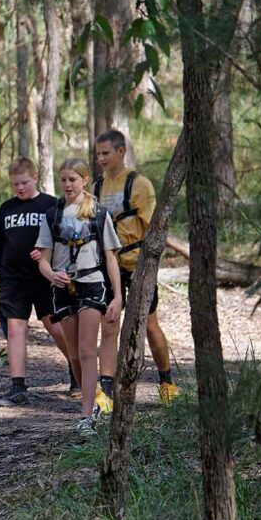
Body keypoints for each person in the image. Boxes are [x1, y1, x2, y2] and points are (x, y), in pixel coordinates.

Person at [36, 159, 122, 438]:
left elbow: (111, 257)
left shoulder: (99, 214)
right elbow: (43, 260)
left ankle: (86, 416)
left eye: (72, 179)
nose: (67, 185)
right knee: (74, 354)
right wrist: (51, 276)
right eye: (63, 179)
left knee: (87, 350)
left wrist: (117, 296)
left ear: (85, 180)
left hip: (92, 285)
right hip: (62, 287)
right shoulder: (52, 215)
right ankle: (92, 395)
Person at [93, 129, 178, 409]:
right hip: (108, 266)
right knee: (109, 325)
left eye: (106, 153)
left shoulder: (140, 185)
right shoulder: (96, 188)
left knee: (150, 325)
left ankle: (167, 382)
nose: (101, 159)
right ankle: (105, 390)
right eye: (98, 154)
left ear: (121, 151)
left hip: (138, 265)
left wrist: (149, 265)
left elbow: (154, 228)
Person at [0, 158, 75, 404]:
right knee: (15, 329)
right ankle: (17, 386)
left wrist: (47, 255)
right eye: (15, 184)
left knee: (56, 327)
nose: (20, 188)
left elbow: (64, 240)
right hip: (14, 279)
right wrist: (1, 276)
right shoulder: (7, 208)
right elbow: (1, 245)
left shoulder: (50, 205)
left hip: (45, 278)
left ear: (35, 178)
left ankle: (77, 369)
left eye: (24, 182)